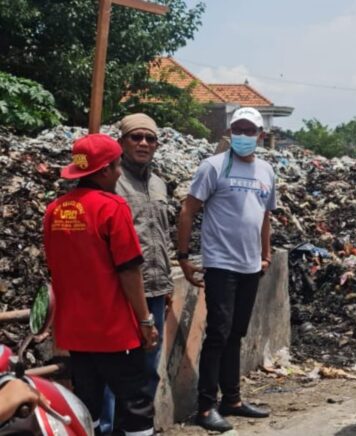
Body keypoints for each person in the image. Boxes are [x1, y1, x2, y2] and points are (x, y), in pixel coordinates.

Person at [43, 134, 158, 435]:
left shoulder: (54, 211)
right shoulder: (112, 208)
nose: (120, 172)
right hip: (114, 331)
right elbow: (129, 271)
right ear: (105, 169)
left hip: (75, 332)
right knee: (136, 405)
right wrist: (145, 320)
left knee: (85, 407)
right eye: (117, 166)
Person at [177, 107, 274, 432]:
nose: (244, 136)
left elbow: (264, 216)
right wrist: (184, 256)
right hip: (220, 264)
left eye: (251, 130)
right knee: (218, 333)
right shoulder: (213, 167)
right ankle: (205, 408)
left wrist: (266, 254)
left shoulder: (266, 171)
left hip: (250, 266)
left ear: (261, 135)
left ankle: (231, 399)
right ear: (231, 132)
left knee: (236, 333)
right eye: (239, 129)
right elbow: (188, 210)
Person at [99, 113, 174, 433]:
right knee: (115, 372)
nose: (144, 143)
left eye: (150, 138)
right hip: (121, 292)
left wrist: (168, 282)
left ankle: (138, 428)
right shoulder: (110, 182)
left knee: (148, 369)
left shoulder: (158, 183)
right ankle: (109, 429)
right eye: (136, 137)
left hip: (156, 290)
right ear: (122, 142)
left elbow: (162, 234)